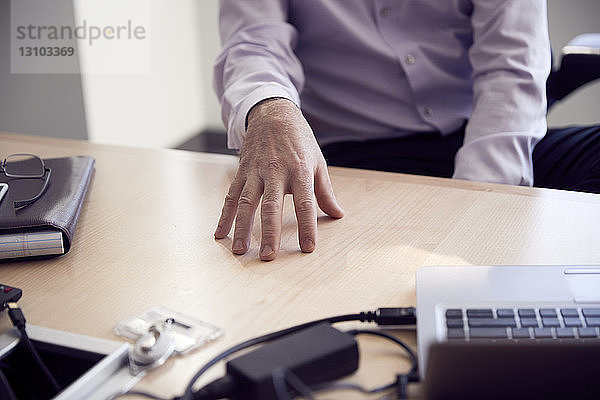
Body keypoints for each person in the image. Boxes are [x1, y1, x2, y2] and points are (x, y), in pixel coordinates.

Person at [212, 0, 600, 261]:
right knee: (319, 267)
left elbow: (511, 63)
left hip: (482, 131)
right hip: (359, 155)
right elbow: (253, 42)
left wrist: (478, 208)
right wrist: (270, 108)